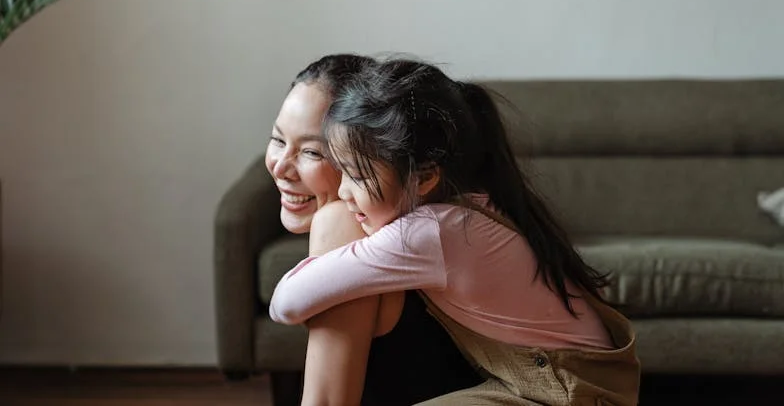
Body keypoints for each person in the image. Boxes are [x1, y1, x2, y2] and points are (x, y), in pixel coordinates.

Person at [270, 58, 642, 405]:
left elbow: (286, 302)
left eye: (354, 172)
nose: (345, 192)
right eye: (277, 139)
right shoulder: (466, 206)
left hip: (566, 386)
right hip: (576, 378)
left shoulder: (430, 232)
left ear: (427, 175)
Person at [265, 54, 482, 406]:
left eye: (312, 152)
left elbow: (326, 401)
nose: (281, 167)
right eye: (277, 140)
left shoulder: (341, 223)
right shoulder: (421, 218)